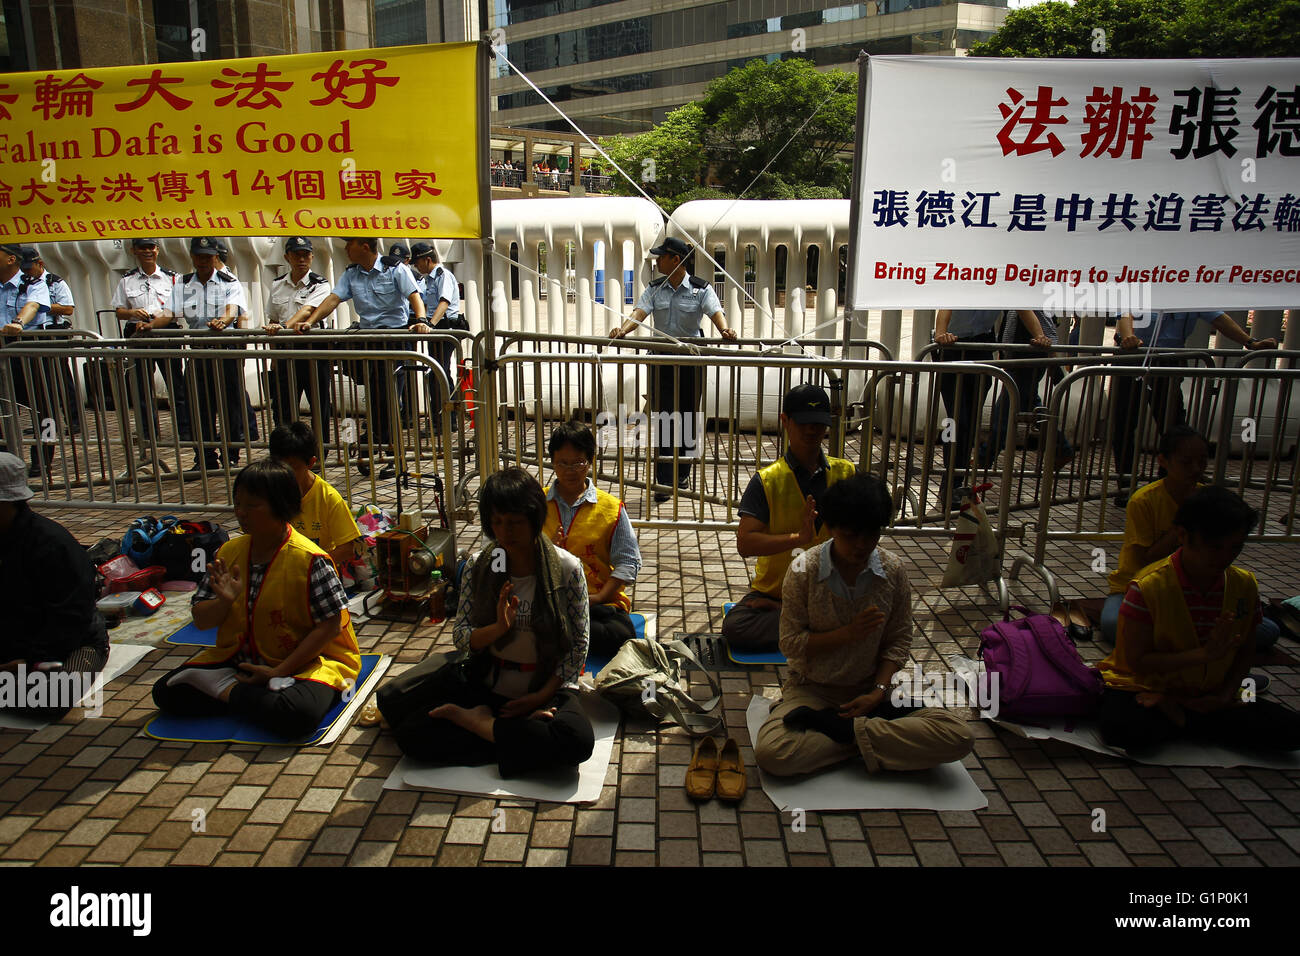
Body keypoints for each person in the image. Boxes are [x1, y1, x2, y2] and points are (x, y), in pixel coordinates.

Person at [377, 467, 594, 777]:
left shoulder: (566, 568)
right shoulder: (481, 565)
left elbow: (578, 645)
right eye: (497, 522)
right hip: (488, 683)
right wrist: (498, 628)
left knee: (577, 742)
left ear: (534, 519)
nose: (505, 532)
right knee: (410, 734)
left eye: (515, 522)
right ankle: (517, 737)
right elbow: (462, 635)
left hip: (545, 687)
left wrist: (540, 696)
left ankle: (485, 728)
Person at [754, 472, 975, 776]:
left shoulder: (893, 571)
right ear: (830, 528)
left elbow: (898, 639)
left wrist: (878, 690)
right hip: (814, 692)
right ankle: (873, 740)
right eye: (850, 535)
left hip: (873, 694)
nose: (862, 546)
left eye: (871, 535)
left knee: (959, 736)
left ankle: (845, 735)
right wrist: (847, 634)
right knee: (773, 753)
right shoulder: (804, 571)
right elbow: (790, 643)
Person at [152, 458, 361, 738]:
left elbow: (330, 625)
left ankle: (229, 692)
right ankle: (250, 697)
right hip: (239, 659)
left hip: (306, 662)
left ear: (281, 506)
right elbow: (201, 620)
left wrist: (279, 671)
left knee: (298, 716)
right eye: (238, 504)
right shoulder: (229, 552)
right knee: (165, 693)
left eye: (252, 505)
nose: (242, 513)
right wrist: (224, 602)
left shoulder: (310, 559)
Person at [1097, 485, 1300, 755]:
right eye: (1215, 547)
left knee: (1292, 731)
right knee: (1122, 728)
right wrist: (1203, 655)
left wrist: (1224, 695)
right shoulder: (1148, 587)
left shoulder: (1243, 585)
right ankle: (1196, 717)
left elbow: (1246, 650)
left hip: (1210, 691)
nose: (1225, 558)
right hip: (1147, 685)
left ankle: (1184, 716)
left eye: (1235, 548)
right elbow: (1138, 661)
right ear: (1182, 535)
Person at [722, 383, 855, 652]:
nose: (811, 431)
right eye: (804, 423)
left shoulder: (846, 473)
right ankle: (823, 630)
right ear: (785, 421)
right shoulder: (767, 480)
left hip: (832, 593)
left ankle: (799, 622)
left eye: (818, 424)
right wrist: (798, 538)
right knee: (736, 627)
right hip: (776, 592)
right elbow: (745, 544)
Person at [609, 236, 737, 501]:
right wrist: (623, 329)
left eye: (661, 257)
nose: (656, 261)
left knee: (688, 419)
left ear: (675, 260)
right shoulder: (655, 288)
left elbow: (715, 311)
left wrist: (724, 330)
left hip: (691, 363)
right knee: (664, 419)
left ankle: (683, 475)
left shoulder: (700, 289)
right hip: (662, 362)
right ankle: (664, 482)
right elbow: (640, 313)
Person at [1109, 310, 1276, 506]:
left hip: (1169, 361)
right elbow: (1126, 313)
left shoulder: (1188, 287)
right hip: (1132, 356)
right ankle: (1126, 486)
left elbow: (1218, 317)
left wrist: (1250, 342)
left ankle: (1168, 484)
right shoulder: (1142, 282)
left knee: (1172, 426)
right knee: (1123, 424)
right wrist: (1128, 337)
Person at [304, 237, 426, 479]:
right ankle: (375, 442)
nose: (347, 248)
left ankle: (390, 452)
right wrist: (310, 322)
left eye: (350, 244)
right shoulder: (352, 274)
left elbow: (414, 297)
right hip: (368, 339)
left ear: (366, 247)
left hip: (392, 340)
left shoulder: (395, 268)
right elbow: (333, 299)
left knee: (390, 399)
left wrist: (421, 320)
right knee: (376, 397)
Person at [0, 452, 109, 720]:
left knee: (48, 698)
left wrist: (29, 660)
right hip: (13, 640)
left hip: (71, 643)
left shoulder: (52, 545)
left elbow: (72, 617)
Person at [148, 237, 257, 472]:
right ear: (193, 257)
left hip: (223, 351)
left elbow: (233, 310)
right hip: (198, 352)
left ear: (215, 257)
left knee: (229, 406)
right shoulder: (183, 284)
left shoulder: (230, 282)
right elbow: (169, 313)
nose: (203, 261)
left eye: (208, 256)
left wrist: (222, 321)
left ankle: (231, 455)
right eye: (199, 256)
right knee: (199, 408)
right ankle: (205, 457)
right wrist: (151, 325)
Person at [932, 308, 1050, 509]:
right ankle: (950, 479)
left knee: (970, 422)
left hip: (982, 345)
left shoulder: (999, 282)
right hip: (952, 345)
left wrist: (1040, 336)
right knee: (957, 419)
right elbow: (947, 305)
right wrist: (940, 333)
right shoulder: (965, 279)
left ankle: (956, 480)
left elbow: (1023, 308)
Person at [543, 420, 641, 658]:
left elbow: (628, 562)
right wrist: (548, 548)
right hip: (549, 600)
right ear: (553, 463)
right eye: (562, 463)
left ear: (590, 461)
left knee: (618, 634)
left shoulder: (610, 507)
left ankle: (561, 638)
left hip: (598, 603)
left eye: (578, 462)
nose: (570, 470)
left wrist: (598, 598)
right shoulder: (536, 501)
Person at [2, 246, 74, 477]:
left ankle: (42, 460)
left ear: (11, 259)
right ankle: (5, 459)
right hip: (2, 351)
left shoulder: (35, 283)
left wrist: (18, 323)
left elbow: (32, 306)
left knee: (45, 409)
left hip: (30, 349)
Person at [112, 238, 188, 451]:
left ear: (157, 250)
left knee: (176, 384)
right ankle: (148, 433)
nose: (148, 251)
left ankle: (185, 430)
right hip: (137, 333)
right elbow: (118, 311)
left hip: (165, 332)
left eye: (151, 247)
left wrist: (155, 321)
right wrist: (132, 313)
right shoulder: (126, 280)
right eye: (142, 248)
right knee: (141, 386)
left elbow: (180, 309)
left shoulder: (173, 278)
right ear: (133, 250)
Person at [980, 308, 1073, 470]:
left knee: (1004, 411)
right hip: (1025, 354)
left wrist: (1043, 344)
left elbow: (1029, 314)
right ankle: (1062, 448)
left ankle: (985, 456)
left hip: (1025, 356)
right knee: (1030, 404)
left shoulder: (1025, 299)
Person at [264, 237, 334, 442]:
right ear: (287, 257)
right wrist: (273, 354)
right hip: (285, 351)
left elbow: (307, 311)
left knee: (319, 404)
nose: (301, 259)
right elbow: (273, 318)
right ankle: (286, 450)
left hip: (312, 350)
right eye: (296, 255)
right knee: (283, 405)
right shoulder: (277, 285)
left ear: (312, 257)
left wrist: (283, 328)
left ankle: (320, 450)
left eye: (306, 255)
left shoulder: (320, 284)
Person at [269, 421, 362, 571]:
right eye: (279, 466)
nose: (285, 474)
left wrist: (310, 568)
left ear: (311, 463)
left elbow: (346, 549)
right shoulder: (267, 492)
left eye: (293, 467)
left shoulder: (329, 498)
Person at [410, 241, 467, 433]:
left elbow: (444, 303)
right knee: (437, 372)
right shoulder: (428, 279)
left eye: (417, 262)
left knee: (439, 373)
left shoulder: (444, 276)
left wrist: (430, 324)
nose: (416, 266)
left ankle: (445, 420)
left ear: (427, 260)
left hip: (445, 327)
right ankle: (442, 420)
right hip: (436, 328)